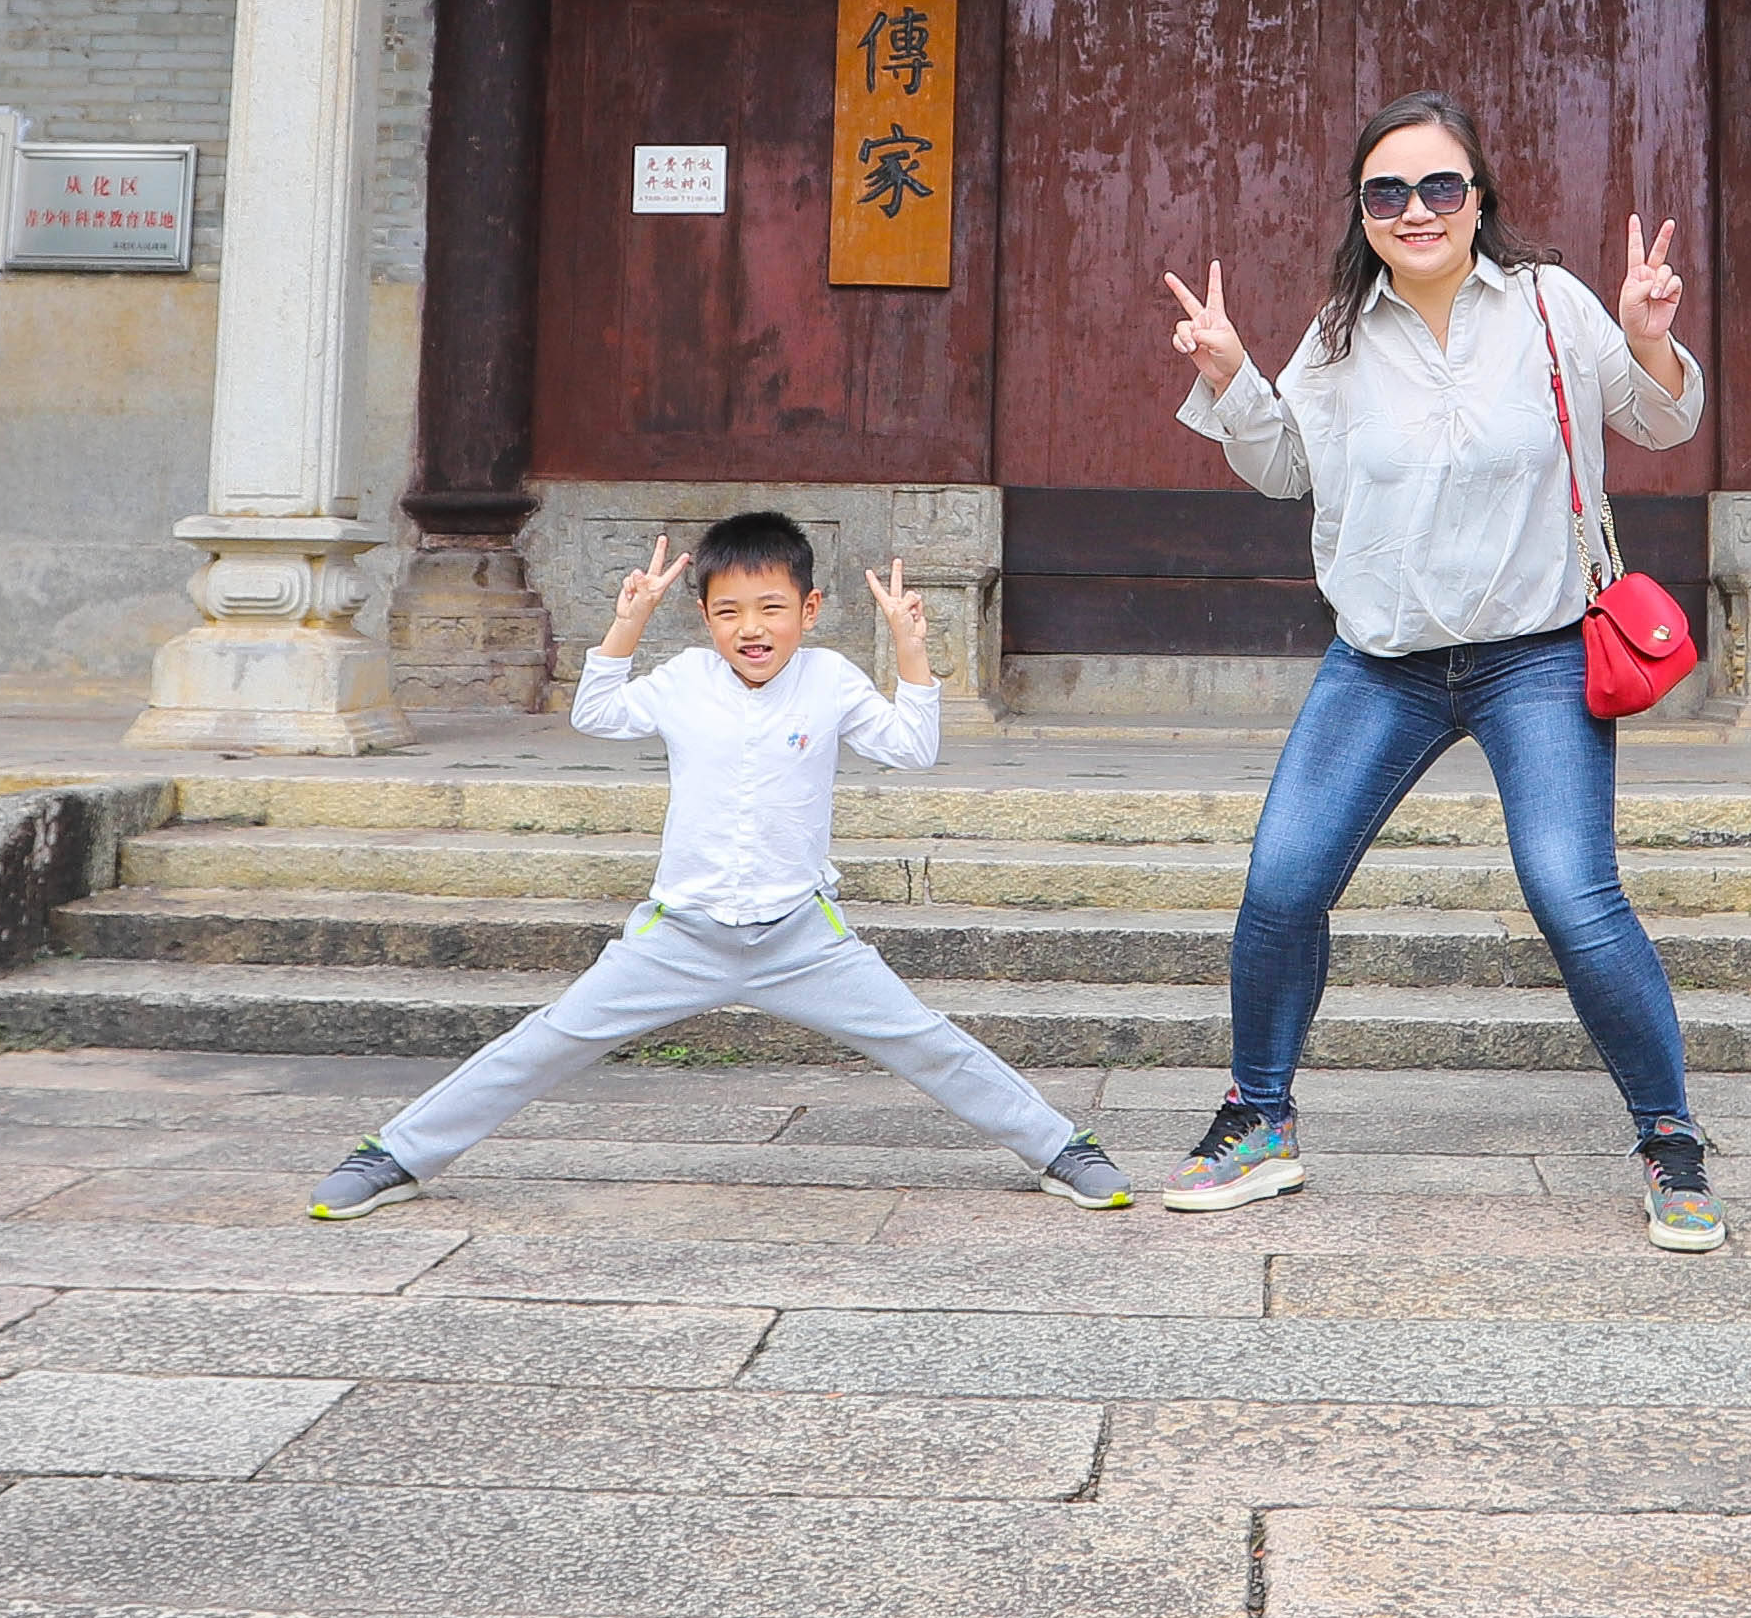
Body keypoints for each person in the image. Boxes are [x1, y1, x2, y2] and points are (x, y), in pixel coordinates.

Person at [1155, 91, 1725, 1252]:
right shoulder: (1337, 335)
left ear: (1480, 199)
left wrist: (1651, 329)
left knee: (1572, 891)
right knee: (1283, 880)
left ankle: (1671, 1138)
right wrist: (1230, 372)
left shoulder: (1554, 305)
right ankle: (1259, 1116)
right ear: (1362, 212)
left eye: (1439, 186)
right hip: (1385, 660)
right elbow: (1282, 471)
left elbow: (1660, 423)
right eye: (1387, 191)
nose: (1415, 209)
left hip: (1539, 653)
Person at [307, 509, 1137, 1218]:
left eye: (772, 607)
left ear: (808, 610)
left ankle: (1062, 1148)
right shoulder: (683, 681)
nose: (752, 628)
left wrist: (908, 647)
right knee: (548, 1040)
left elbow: (913, 747)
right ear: (704, 617)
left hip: (802, 936)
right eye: (729, 610)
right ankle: (399, 1154)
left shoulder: (832, 679)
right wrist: (629, 619)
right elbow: (597, 714)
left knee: (927, 1042)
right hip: (680, 934)